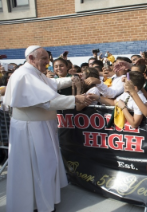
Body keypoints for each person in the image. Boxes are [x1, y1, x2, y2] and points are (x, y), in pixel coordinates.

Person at [3, 45, 93, 212]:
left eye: (47, 58)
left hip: (39, 126)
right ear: (31, 58)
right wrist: (75, 99)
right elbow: (47, 102)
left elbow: (50, 83)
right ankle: (39, 205)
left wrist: (72, 79)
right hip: (31, 129)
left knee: (45, 165)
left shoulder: (33, 72)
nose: (48, 62)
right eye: (44, 58)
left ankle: (44, 201)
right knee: (39, 168)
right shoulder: (24, 74)